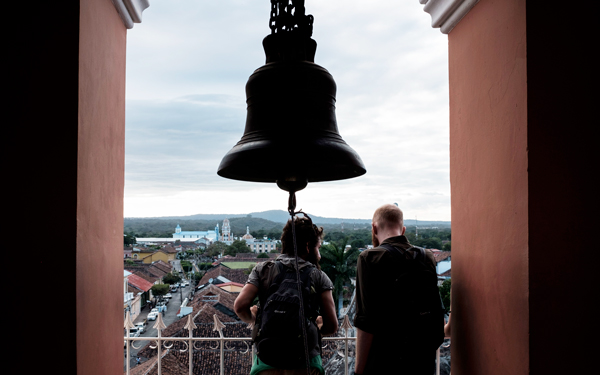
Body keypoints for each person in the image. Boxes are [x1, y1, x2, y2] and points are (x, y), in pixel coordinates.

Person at [234, 214, 338, 375]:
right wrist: (315, 327)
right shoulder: (318, 276)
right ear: (308, 246)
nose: (319, 254)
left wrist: (253, 320)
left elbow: (240, 306)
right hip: (305, 363)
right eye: (318, 248)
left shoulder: (263, 269)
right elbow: (331, 326)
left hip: (267, 361)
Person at [354, 204, 444, 375]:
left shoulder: (370, 258)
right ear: (403, 230)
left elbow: (366, 321)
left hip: (386, 361)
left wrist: (358, 371)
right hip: (421, 359)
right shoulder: (427, 257)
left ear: (374, 228)